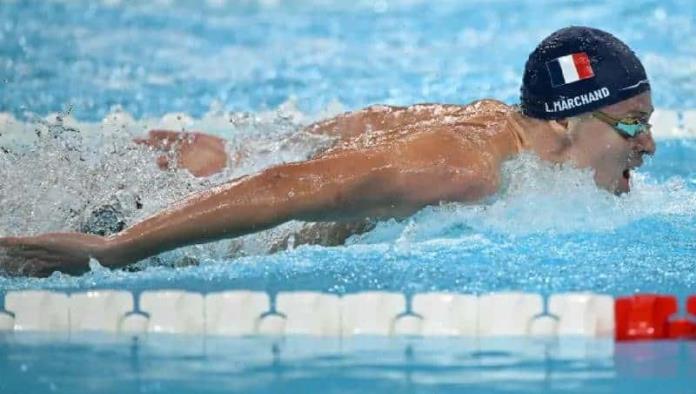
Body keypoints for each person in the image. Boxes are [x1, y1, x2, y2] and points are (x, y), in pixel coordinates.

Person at [0, 26, 656, 277]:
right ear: (568, 122)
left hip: (212, 185)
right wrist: (117, 250)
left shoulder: (497, 125)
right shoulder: (466, 170)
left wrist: (236, 154)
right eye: (631, 126)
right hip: (184, 237)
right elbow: (298, 184)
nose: (649, 144)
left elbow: (366, 125)